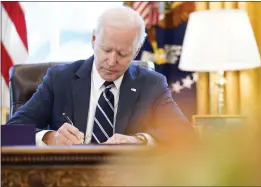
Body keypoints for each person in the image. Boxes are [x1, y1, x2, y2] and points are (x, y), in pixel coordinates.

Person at [6, 5, 194, 146]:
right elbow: (9, 133)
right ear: (94, 40)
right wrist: (50, 137)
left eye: (122, 53)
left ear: (136, 50)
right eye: (106, 49)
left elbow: (185, 135)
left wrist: (140, 141)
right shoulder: (59, 79)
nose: (111, 61)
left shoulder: (151, 84)